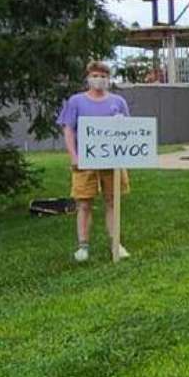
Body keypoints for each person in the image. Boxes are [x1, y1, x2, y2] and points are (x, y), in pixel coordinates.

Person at [57, 61, 132, 262]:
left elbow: (128, 129)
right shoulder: (76, 101)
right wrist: (74, 156)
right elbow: (68, 130)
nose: (99, 79)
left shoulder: (118, 101)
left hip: (112, 161)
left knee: (112, 202)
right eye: (95, 75)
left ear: (108, 79)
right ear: (88, 77)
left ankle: (116, 243)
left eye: (103, 76)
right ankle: (83, 246)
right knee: (83, 204)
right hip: (85, 161)